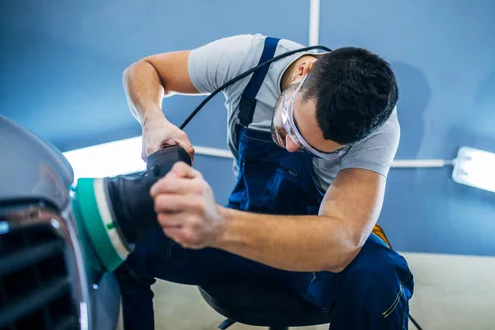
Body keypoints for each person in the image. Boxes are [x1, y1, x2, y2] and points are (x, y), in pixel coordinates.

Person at [117, 34, 414, 329]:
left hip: (312, 247)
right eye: (292, 124)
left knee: (380, 278)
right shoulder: (251, 59)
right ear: (303, 71)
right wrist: (152, 120)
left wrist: (218, 225)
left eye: (314, 148)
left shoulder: (377, 127)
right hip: (246, 222)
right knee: (125, 240)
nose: (291, 146)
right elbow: (145, 70)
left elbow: (341, 243)